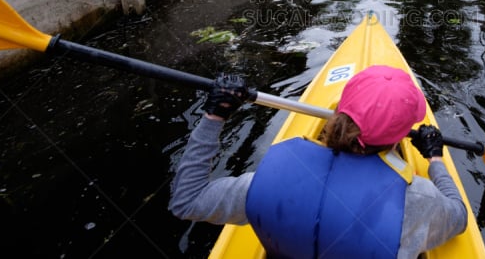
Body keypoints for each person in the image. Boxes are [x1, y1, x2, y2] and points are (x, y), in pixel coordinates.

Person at [170, 67, 468, 258]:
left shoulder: (266, 180)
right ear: (401, 136)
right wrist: (435, 159)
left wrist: (214, 116)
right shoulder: (417, 201)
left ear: (339, 111)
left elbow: (187, 200)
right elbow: (458, 216)